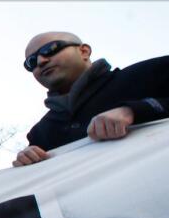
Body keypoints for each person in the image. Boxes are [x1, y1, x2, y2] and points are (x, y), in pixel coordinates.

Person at [14, 31, 169, 166]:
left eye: (50, 49)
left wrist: (134, 111)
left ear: (84, 51)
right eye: (31, 62)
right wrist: (27, 159)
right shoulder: (40, 133)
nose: (41, 61)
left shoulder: (146, 74)